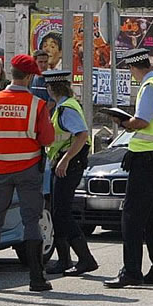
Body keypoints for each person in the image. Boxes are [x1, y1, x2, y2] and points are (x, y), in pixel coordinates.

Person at [0, 54, 55, 292]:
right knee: (31, 221)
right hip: (28, 169)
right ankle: (37, 279)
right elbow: (47, 139)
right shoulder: (37, 105)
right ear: (29, 77)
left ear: (12, 73)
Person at [104, 48, 153, 288]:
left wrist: (123, 122)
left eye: (130, 69)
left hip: (147, 159)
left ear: (135, 67)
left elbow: (142, 121)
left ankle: (132, 271)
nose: (131, 73)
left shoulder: (149, 87)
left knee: (132, 216)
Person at [43, 70, 98, 276]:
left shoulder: (66, 108)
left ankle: (85, 259)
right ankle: (64, 260)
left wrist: (65, 160)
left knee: (62, 213)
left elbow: (82, 135)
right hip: (63, 163)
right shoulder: (62, 107)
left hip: (69, 164)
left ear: (52, 88)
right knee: (59, 213)